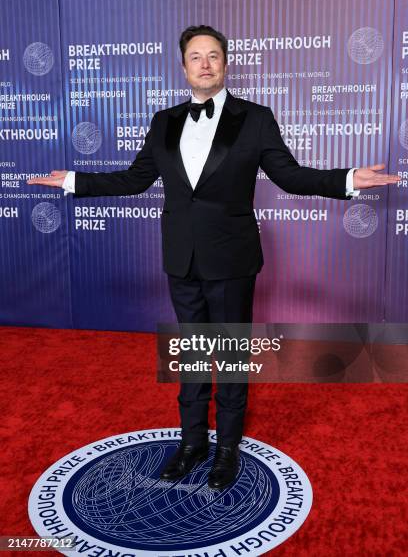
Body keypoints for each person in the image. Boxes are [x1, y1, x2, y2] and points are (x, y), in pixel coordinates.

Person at [28, 25, 401, 490]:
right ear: (183, 67)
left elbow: (289, 176)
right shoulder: (163, 121)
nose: (204, 64)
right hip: (181, 258)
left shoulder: (256, 118)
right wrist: (72, 181)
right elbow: (133, 180)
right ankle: (191, 444)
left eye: (213, 56)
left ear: (226, 64)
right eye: (195, 56)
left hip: (233, 259)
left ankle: (226, 449)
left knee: (228, 355)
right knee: (190, 356)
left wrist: (347, 178)